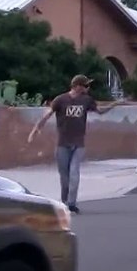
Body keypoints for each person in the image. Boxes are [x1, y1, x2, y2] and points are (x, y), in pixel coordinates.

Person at [27, 74, 117, 213]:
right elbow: (47, 115)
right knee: (65, 177)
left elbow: (100, 111)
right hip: (62, 143)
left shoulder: (87, 100)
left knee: (74, 173)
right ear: (77, 86)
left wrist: (115, 104)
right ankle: (64, 202)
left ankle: (71, 203)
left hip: (78, 143)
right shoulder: (61, 100)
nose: (88, 88)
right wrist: (34, 131)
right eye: (85, 85)